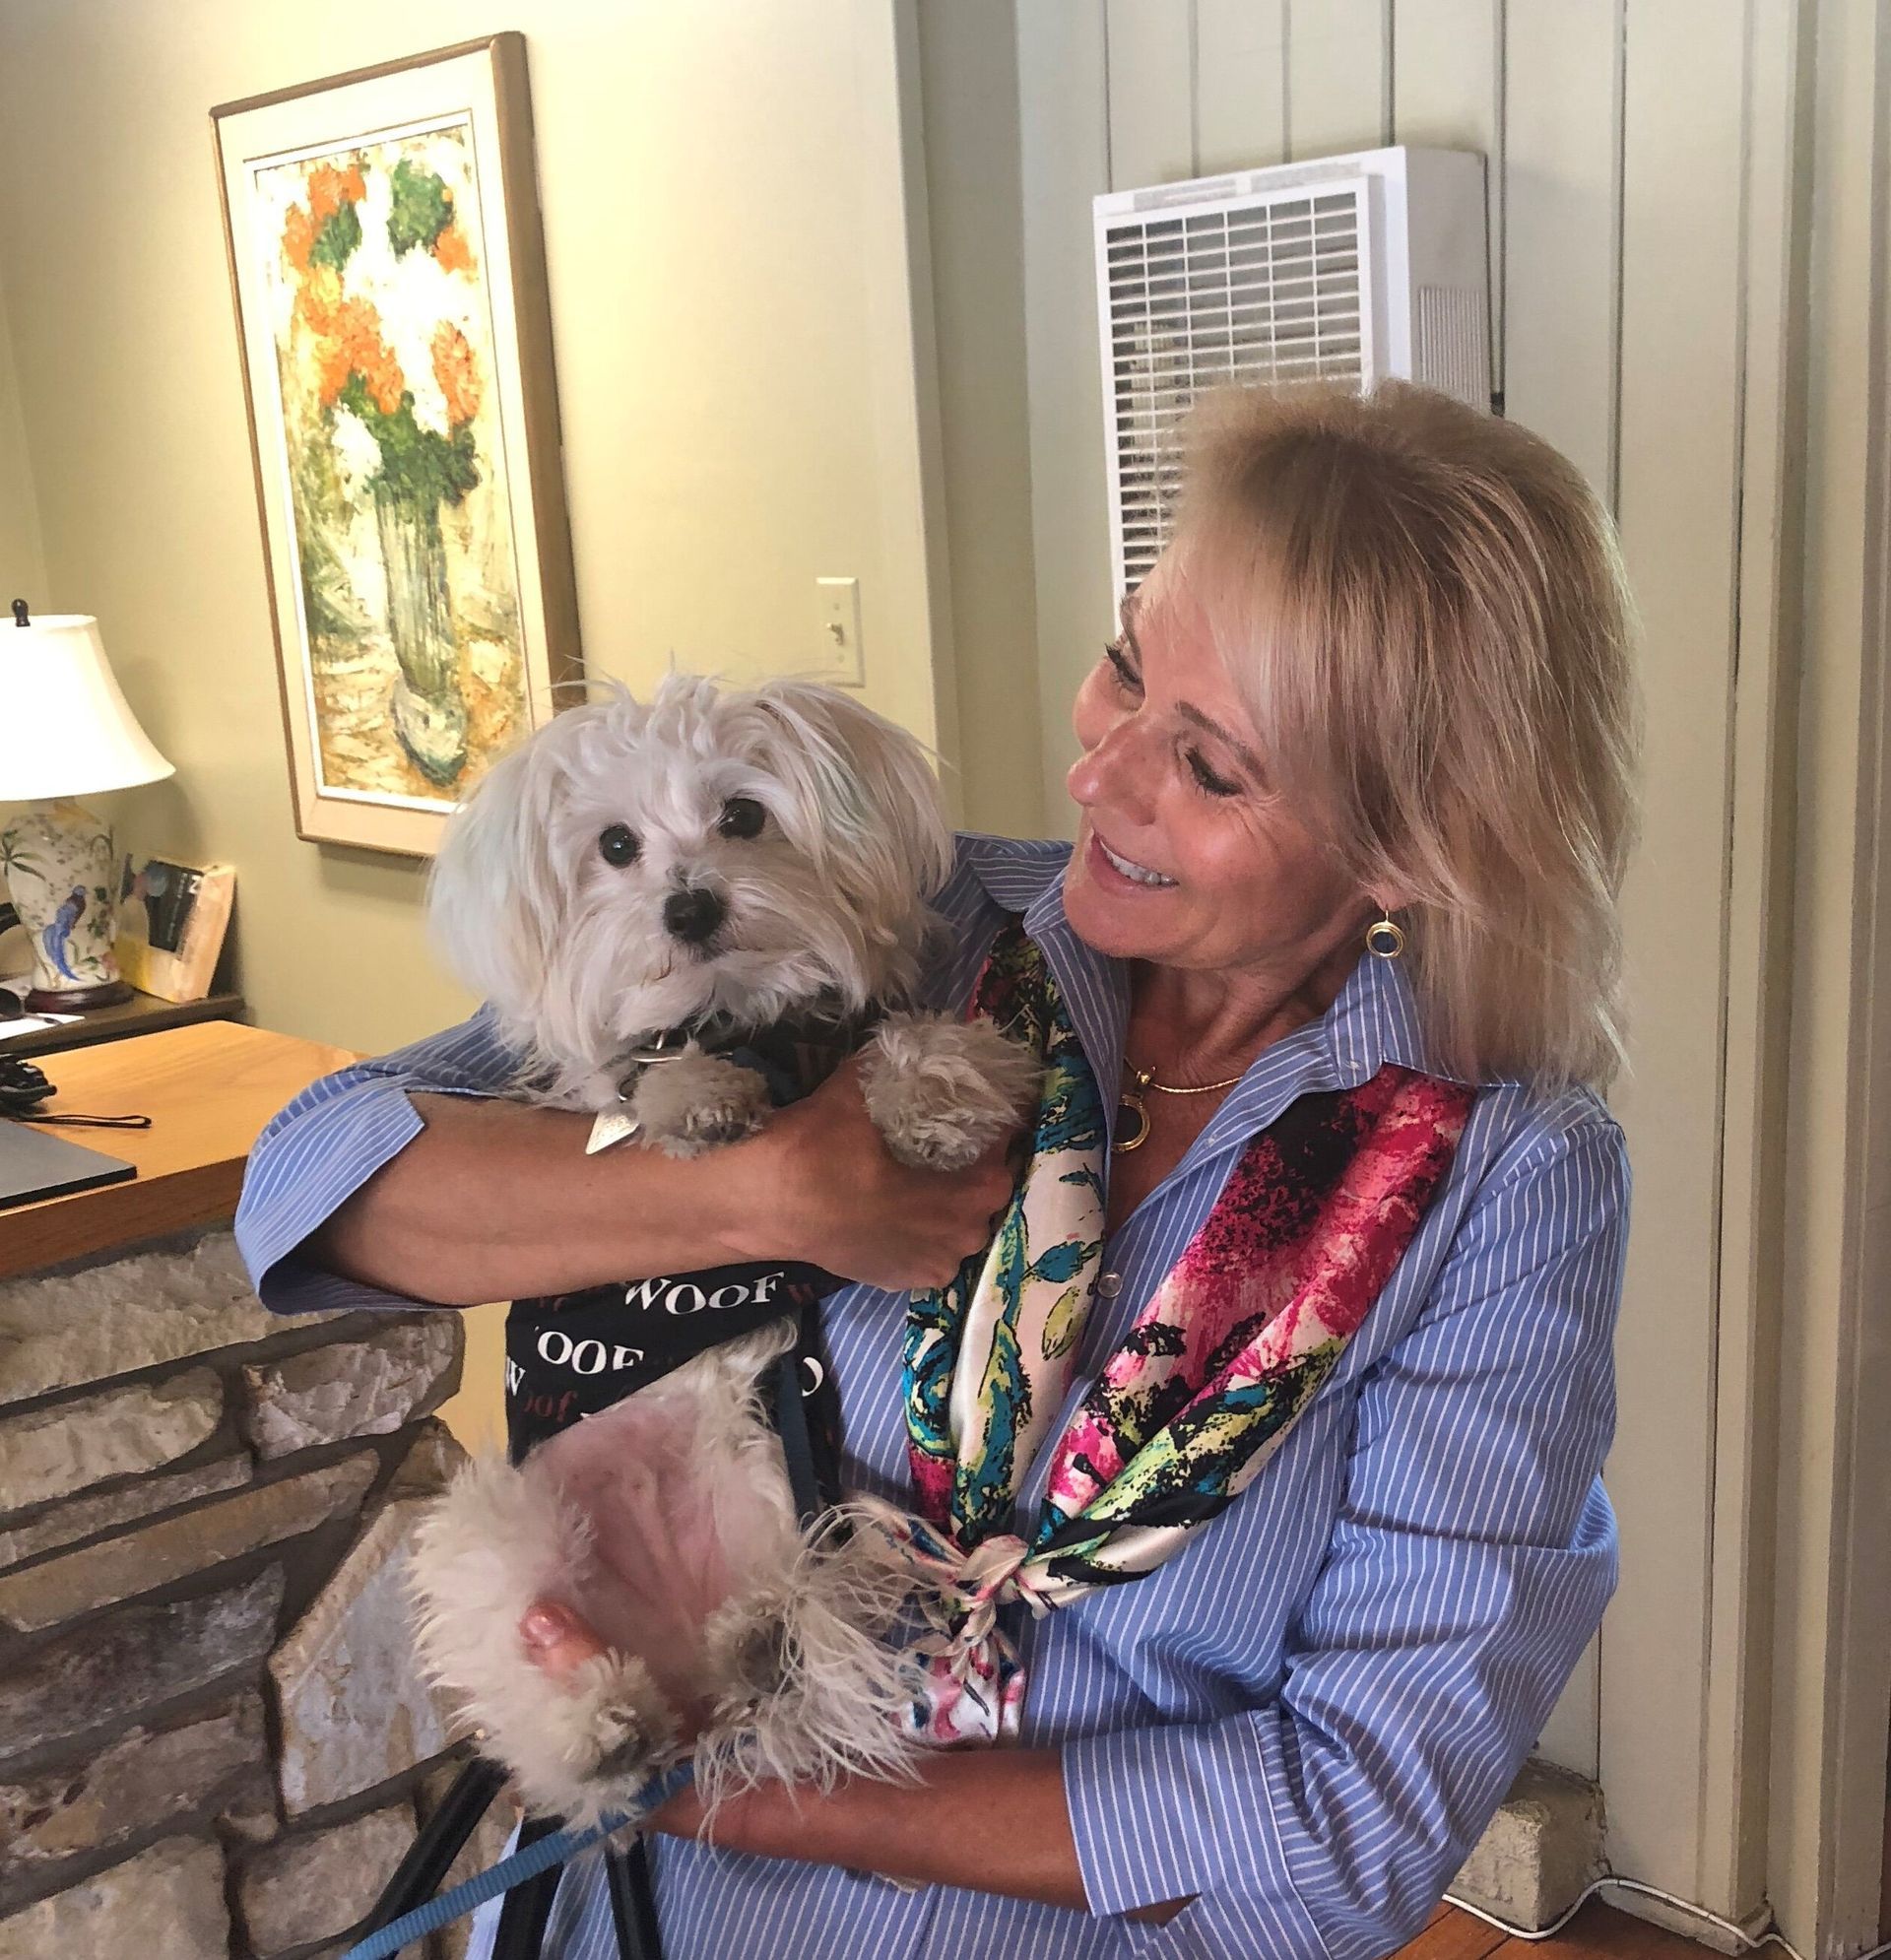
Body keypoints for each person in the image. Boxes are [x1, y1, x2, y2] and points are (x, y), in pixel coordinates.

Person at [236, 379, 1639, 1960]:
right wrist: (758, 1192)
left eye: (1211, 766)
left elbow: (1355, 1815)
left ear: (1409, 846)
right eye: (1125, 667)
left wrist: (718, 1790)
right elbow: (317, 1173)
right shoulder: (915, 925)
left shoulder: (1499, 1183)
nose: (1097, 776)